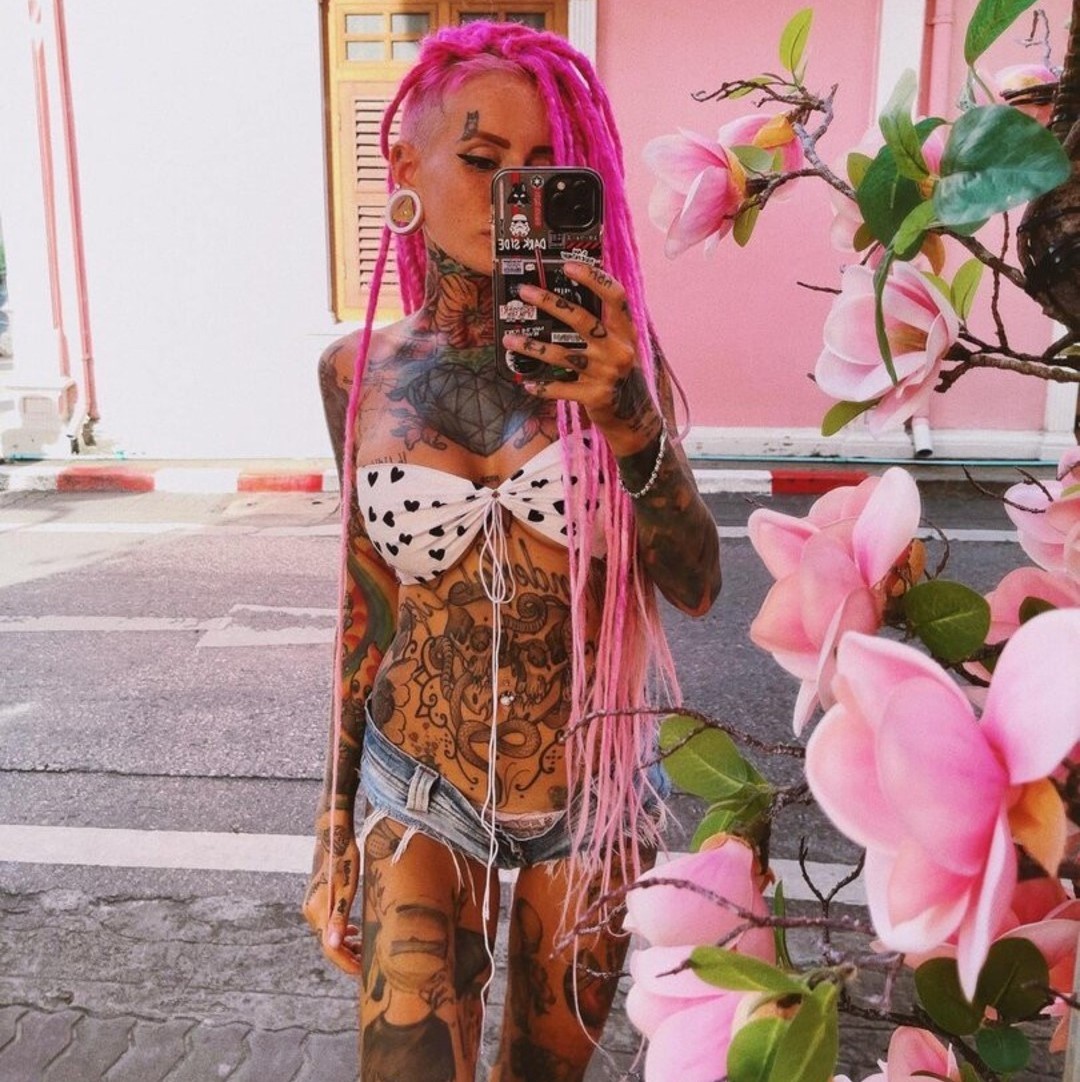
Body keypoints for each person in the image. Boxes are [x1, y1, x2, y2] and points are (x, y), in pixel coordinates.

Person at [304, 21, 721, 1082]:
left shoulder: (619, 359)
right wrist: (334, 818)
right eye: (484, 160)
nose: (510, 199)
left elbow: (697, 583)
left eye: (542, 172)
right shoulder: (357, 372)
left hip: (588, 806)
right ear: (406, 168)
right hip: (419, 790)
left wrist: (628, 417)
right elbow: (365, 604)